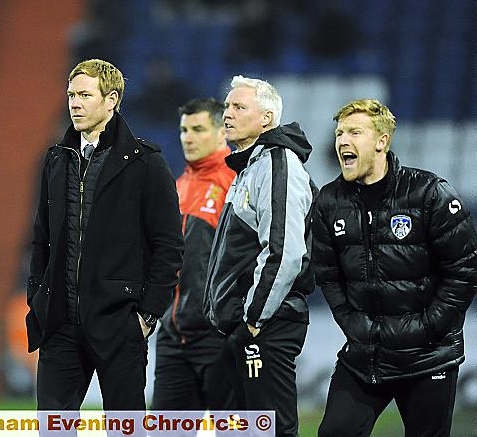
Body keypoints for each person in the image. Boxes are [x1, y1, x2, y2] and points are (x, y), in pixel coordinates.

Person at [26, 59, 184, 412]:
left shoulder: (145, 163)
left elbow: (169, 244)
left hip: (120, 324)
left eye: (84, 95)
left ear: (111, 99)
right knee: (52, 430)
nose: (74, 103)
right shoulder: (56, 160)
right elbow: (41, 237)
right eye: (71, 95)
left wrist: (146, 315)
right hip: (60, 325)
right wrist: (37, 297)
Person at [312, 99, 477, 437]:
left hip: (428, 357)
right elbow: (327, 274)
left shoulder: (429, 193)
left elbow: (464, 269)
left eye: (354, 132)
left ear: (382, 141)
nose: (342, 140)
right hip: (365, 357)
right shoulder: (329, 201)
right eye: (340, 133)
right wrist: (354, 324)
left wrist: (429, 328)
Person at [204, 76, 317, 437]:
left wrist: (253, 320)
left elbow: (284, 251)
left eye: (239, 107)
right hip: (247, 324)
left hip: (266, 324)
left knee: (272, 429)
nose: (227, 114)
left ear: (267, 119)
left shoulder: (276, 165)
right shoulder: (251, 167)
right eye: (227, 106)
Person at [152, 98, 236, 411]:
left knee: (237, 433)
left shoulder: (236, 183)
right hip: (173, 337)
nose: (188, 137)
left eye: (198, 129)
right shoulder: (179, 185)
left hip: (218, 337)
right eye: (184, 129)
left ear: (220, 134)